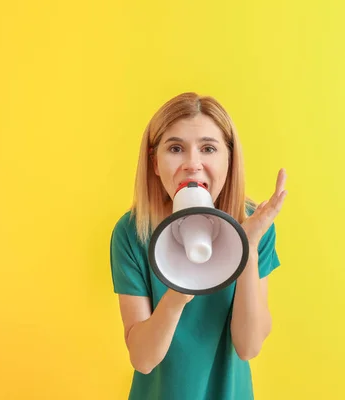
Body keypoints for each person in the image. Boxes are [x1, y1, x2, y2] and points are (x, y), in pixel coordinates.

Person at [109, 92, 287, 400]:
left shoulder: (254, 227)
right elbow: (142, 359)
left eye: (208, 148)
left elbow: (248, 346)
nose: (193, 164)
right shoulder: (132, 232)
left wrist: (248, 247)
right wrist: (178, 294)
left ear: (228, 160)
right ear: (154, 163)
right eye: (176, 148)